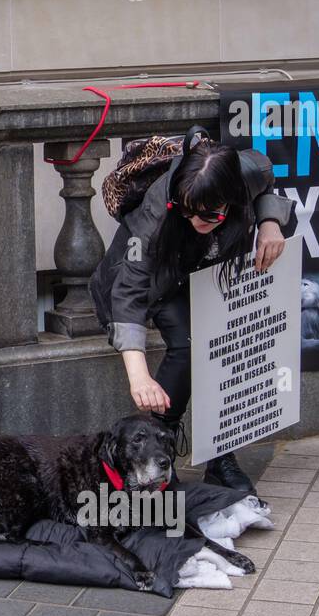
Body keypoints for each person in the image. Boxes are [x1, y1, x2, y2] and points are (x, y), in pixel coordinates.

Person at [90, 130, 292, 492]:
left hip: (207, 275)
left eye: (210, 214)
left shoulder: (249, 169)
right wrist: (139, 377)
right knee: (188, 345)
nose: (196, 220)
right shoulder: (155, 212)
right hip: (156, 284)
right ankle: (161, 450)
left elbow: (266, 186)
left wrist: (270, 223)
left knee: (227, 346)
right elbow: (128, 292)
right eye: (186, 210)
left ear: (231, 197)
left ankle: (221, 454)